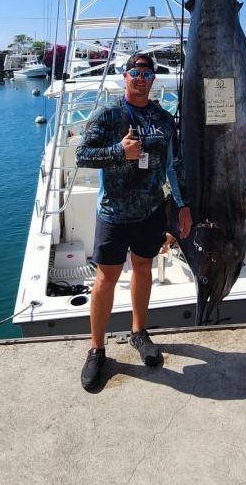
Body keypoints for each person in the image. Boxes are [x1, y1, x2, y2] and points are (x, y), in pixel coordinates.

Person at [76, 52, 192, 391]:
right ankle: (97, 350)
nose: (141, 78)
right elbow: (83, 155)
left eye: (146, 73)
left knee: (143, 269)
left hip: (151, 212)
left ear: (153, 78)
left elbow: (173, 166)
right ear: (124, 77)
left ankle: (139, 333)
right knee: (106, 279)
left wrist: (183, 206)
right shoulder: (109, 115)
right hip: (113, 213)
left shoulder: (163, 118)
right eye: (134, 72)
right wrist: (118, 153)